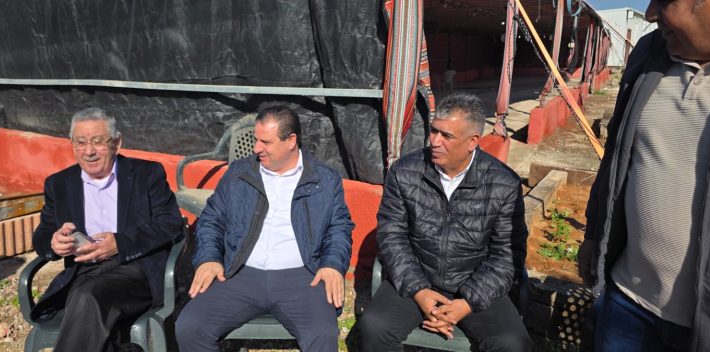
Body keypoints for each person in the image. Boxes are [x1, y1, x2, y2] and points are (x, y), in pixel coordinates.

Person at [578, 0, 710, 351]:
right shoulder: (650, 57)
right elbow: (616, 159)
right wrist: (594, 236)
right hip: (628, 304)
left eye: (665, 0)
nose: (650, 13)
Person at [175, 105, 354, 352]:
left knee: (322, 335)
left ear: (291, 141)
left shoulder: (324, 179)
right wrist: (209, 258)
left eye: (266, 142)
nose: (256, 148)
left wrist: (332, 264)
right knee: (190, 327)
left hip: (302, 277)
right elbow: (212, 219)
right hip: (239, 273)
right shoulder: (239, 173)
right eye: (256, 139)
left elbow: (338, 227)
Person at [361, 92, 531, 351]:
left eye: (447, 136)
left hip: (475, 283)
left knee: (512, 344)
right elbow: (392, 236)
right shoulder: (405, 172)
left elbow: (507, 254)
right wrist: (419, 291)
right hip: (417, 276)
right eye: (434, 131)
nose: (435, 142)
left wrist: (467, 303)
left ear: (473, 141)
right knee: (375, 326)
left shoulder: (503, 183)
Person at [31, 107, 184, 352]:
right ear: (72, 145)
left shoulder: (147, 174)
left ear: (116, 142)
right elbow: (42, 234)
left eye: (98, 142)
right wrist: (53, 242)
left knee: (87, 296)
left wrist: (120, 244)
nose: (89, 151)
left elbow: (171, 224)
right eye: (81, 142)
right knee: (88, 296)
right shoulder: (59, 183)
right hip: (84, 271)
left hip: (136, 269)